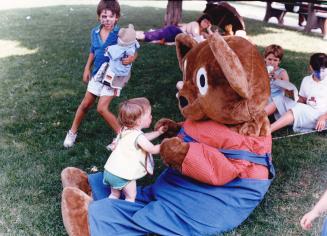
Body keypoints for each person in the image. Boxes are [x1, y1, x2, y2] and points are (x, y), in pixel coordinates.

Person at [63, 0, 137, 148]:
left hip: (113, 76)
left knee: (101, 108)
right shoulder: (95, 32)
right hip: (97, 74)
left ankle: (123, 137)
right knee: (85, 105)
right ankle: (72, 132)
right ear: (99, 17)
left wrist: (131, 59)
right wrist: (86, 68)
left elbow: (134, 50)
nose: (107, 19)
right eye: (104, 16)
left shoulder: (120, 33)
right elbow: (93, 51)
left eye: (111, 16)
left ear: (117, 17)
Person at [103, 97, 166, 202]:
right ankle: (125, 213)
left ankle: (109, 208)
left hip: (110, 171)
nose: (151, 117)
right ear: (139, 120)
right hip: (123, 176)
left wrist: (158, 133)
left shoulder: (125, 130)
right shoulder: (138, 137)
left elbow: (143, 137)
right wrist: (166, 144)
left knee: (114, 194)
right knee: (131, 197)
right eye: (149, 115)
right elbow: (153, 149)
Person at [271, 53, 327, 133]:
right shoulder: (306, 80)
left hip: (320, 117)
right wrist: (292, 94)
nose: (321, 74)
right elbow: (303, 100)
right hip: (307, 111)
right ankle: (253, 119)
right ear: (311, 68)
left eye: (324, 71)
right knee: (280, 99)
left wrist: (324, 117)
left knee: (298, 109)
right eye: (317, 71)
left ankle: (267, 130)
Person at [94, 23, 140, 94]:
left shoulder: (118, 48)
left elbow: (111, 53)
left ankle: (111, 86)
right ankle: (117, 88)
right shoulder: (133, 44)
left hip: (115, 69)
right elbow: (136, 48)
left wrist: (108, 49)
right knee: (120, 80)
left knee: (110, 77)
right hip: (125, 70)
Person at [135, 14, 219, 44]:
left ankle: (139, 37)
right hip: (174, 31)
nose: (205, 23)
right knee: (154, 35)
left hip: (176, 35)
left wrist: (209, 29)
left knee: (156, 37)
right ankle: (135, 35)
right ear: (201, 20)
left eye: (208, 23)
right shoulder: (195, 24)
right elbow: (197, 37)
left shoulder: (203, 31)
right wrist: (203, 36)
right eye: (205, 21)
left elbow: (212, 38)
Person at [263, 44, 292, 118]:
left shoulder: (282, 72)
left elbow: (288, 89)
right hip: (263, 97)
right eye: (269, 59)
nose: (272, 62)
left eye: (275, 60)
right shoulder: (261, 69)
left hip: (275, 100)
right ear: (265, 58)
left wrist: (277, 79)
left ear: (279, 61)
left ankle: (260, 116)